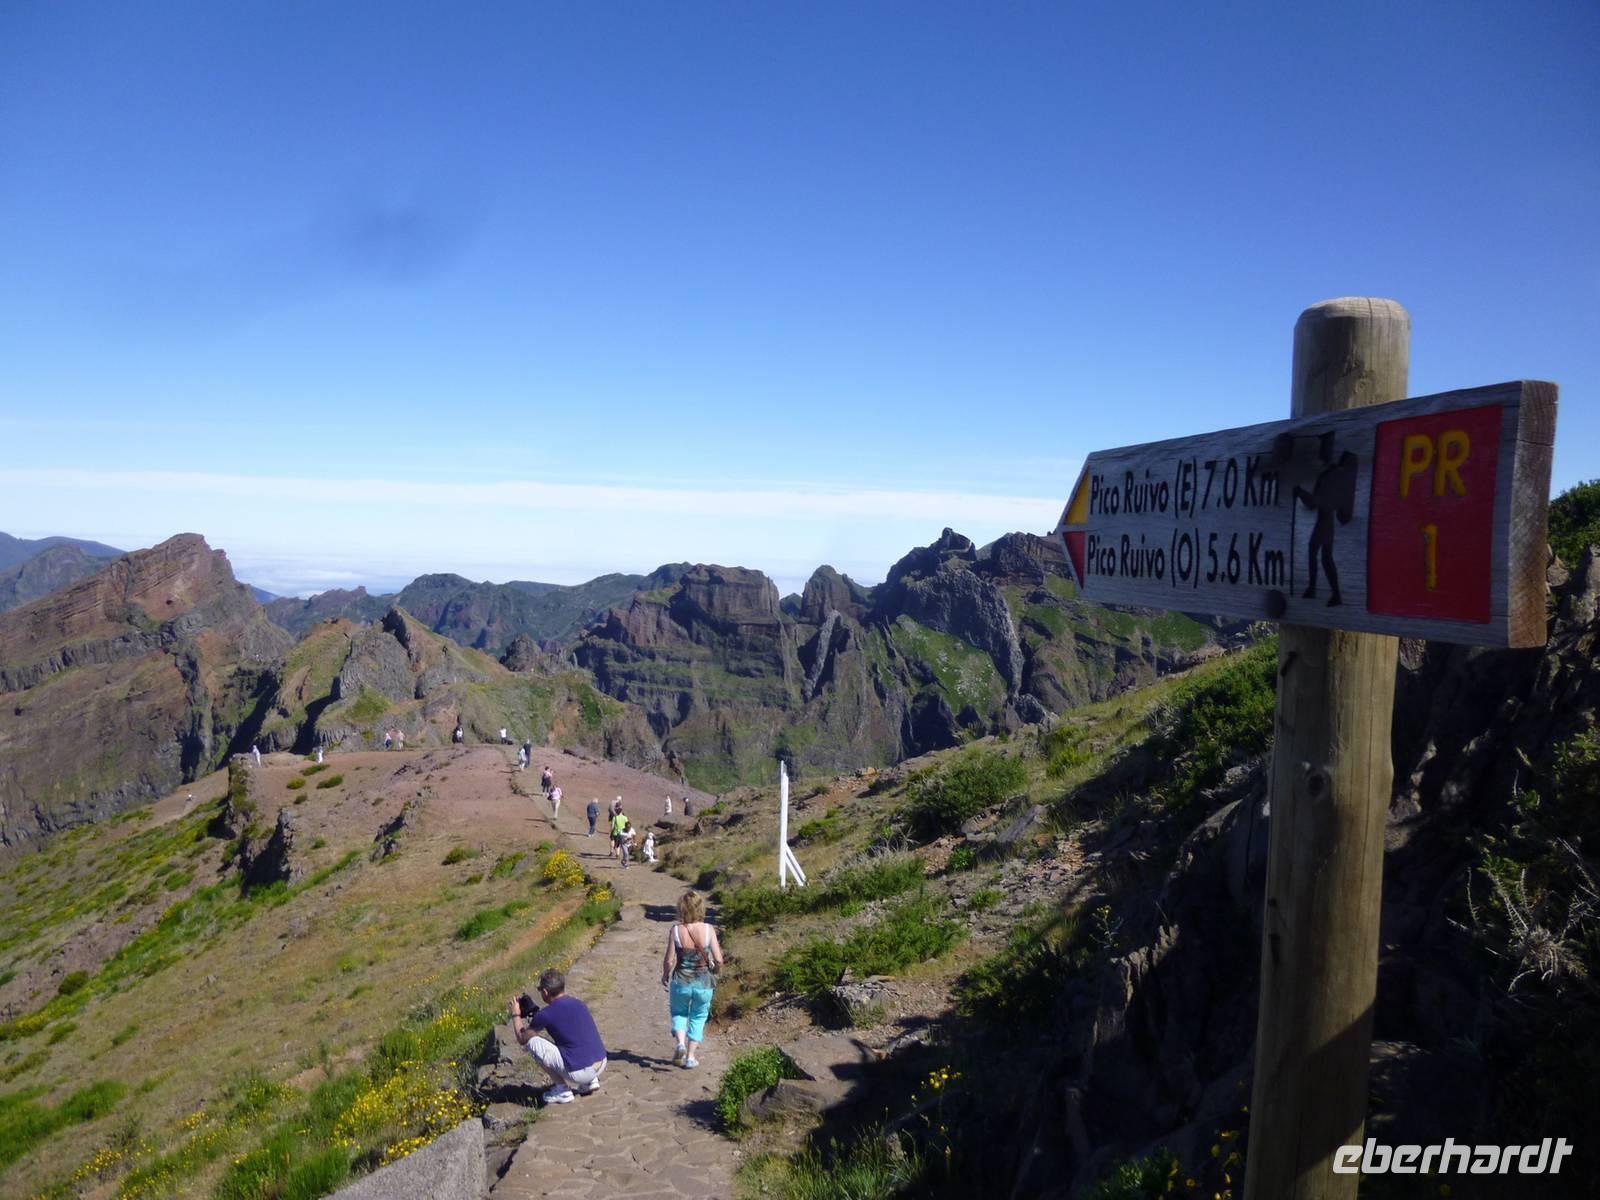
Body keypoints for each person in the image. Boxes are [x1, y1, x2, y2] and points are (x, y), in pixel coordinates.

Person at [508, 969, 606, 1104]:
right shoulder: (578, 1003)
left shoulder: (546, 1014)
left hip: (579, 1073)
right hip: (601, 1063)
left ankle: (562, 1090)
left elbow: (522, 1038)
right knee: (578, 1039)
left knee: (533, 1043)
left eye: (540, 989)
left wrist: (516, 1014)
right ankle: (590, 1082)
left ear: (545, 992)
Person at [661, 890, 722, 1069]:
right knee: (699, 1016)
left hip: (681, 981)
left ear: (681, 908)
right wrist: (716, 970)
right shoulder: (709, 929)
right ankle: (690, 1057)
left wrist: (665, 975)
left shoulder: (676, 930)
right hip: (703, 983)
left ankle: (680, 1044)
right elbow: (718, 959)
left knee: (679, 1013)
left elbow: (669, 960)